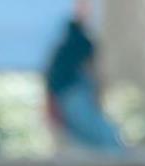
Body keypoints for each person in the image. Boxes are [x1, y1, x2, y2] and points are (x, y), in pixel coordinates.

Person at [44, 13, 123, 151]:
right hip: (73, 95)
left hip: (65, 96)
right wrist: (97, 92)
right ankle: (116, 154)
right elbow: (93, 71)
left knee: (86, 135)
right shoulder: (83, 45)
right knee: (99, 136)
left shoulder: (61, 50)